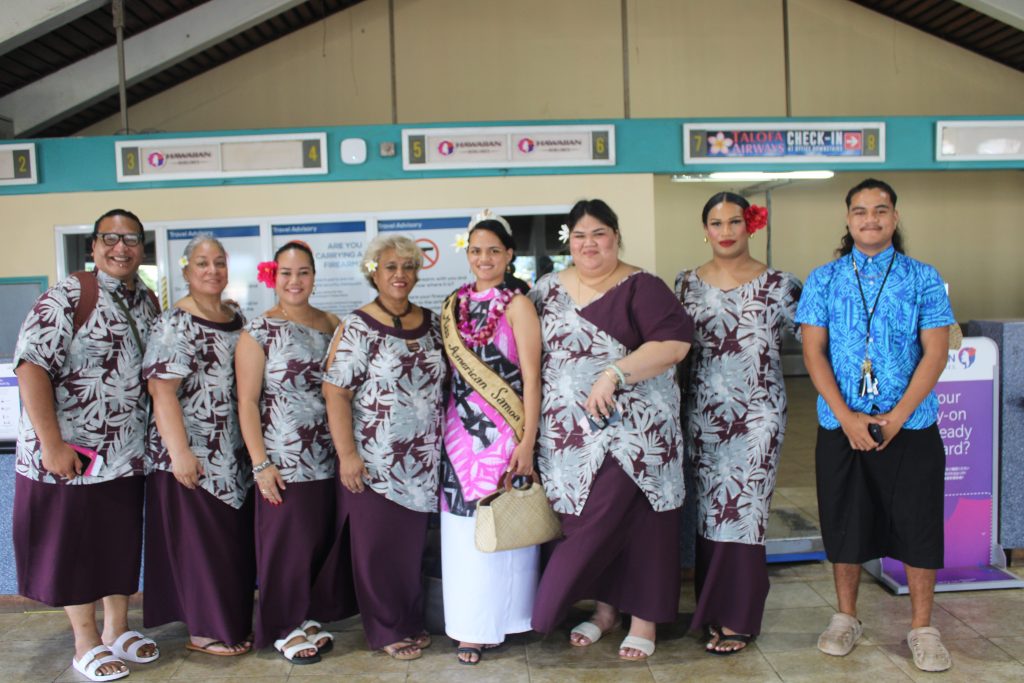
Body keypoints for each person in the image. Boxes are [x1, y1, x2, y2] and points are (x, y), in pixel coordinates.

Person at [796, 178, 954, 673]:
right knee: (846, 522)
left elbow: (936, 351)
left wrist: (898, 416)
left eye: (880, 210)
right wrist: (847, 417)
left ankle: (923, 628)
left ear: (895, 217)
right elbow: (812, 351)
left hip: (912, 425)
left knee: (918, 523)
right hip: (841, 426)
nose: (871, 219)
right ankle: (846, 617)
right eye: (860, 211)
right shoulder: (823, 279)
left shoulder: (923, 277)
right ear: (847, 220)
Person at [529, 199, 693, 662]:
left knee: (640, 524)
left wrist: (614, 374)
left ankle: (643, 621)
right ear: (568, 242)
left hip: (636, 433)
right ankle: (606, 613)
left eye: (599, 233)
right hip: (568, 439)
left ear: (616, 237)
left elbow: (675, 343)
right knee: (585, 523)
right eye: (579, 236)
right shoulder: (546, 289)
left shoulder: (643, 285)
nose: (589, 244)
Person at [12, 209, 160, 682]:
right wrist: (52, 445)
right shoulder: (69, 294)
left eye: (131, 239)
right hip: (73, 455)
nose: (122, 248)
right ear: (93, 248)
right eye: (110, 239)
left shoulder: (147, 301)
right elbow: (31, 366)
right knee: (75, 549)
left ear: (142, 248)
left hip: (124, 455)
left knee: (116, 545)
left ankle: (117, 629)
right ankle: (85, 642)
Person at [675, 192, 801, 654]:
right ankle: (711, 609)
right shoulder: (685, 284)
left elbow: (818, 339)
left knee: (746, 512)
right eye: (715, 222)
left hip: (759, 414)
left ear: (751, 226)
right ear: (704, 229)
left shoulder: (781, 284)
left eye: (734, 221)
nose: (725, 231)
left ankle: (739, 618)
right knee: (710, 512)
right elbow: (673, 350)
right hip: (703, 413)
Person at [322, 234, 445, 661]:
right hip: (374, 461)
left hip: (424, 461)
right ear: (373, 272)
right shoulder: (357, 324)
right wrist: (348, 455)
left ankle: (408, 620)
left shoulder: (432, 322)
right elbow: (335, 392)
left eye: (408, 266)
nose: (400, 275)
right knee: (377, 549)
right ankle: (387, 629)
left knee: (411, 551)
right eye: (390, 266)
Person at [236, 240, 355, 664]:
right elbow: (247, 402)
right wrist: (260, 463)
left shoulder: (333, 324)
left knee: (316, 542)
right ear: (273, 276)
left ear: (314, 276)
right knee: (285, 544)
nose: (294, 281)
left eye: (303, 272)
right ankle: (281, 626)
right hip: (282, 460)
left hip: (329, 455)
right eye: (285, 273)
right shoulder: (259, 330)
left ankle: (302, 615)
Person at [142, 234, 256, 657]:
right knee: (202, 548)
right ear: (186, 270)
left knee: (230, 546)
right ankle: (205, 630)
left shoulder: (235, 314)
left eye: (220, 262)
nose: (213, 270)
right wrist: (180, 454)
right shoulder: (176, 321)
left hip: (234, 455)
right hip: (193, 457)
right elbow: (161, 391)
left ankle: (230, 623)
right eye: (202, 263)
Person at [439, 210, 542, 665]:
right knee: (463, 532)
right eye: (476, 250)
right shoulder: (454, 305)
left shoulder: (518, 304)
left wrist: (528, 441)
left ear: (509, 255)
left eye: (493, 251)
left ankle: (512, 618)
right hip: (459, 434)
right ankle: (471, 627)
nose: (484, 258)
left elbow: (534, 378)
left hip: (506, 431)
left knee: (508, 523)